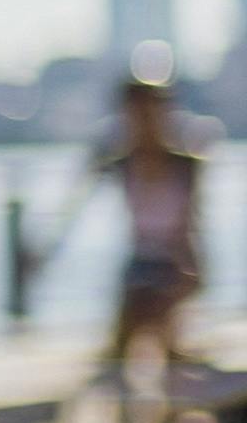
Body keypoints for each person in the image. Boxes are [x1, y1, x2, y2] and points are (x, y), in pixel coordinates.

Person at [65, 56, 211, 383]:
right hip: (140, 262)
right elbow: (74, 206)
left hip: (177, 261)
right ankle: (135, 415)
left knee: (158, 322)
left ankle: (173, 405)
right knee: (122, 344)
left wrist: (190, 271)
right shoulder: (121, 163)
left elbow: (192, 227)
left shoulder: (186, 165)